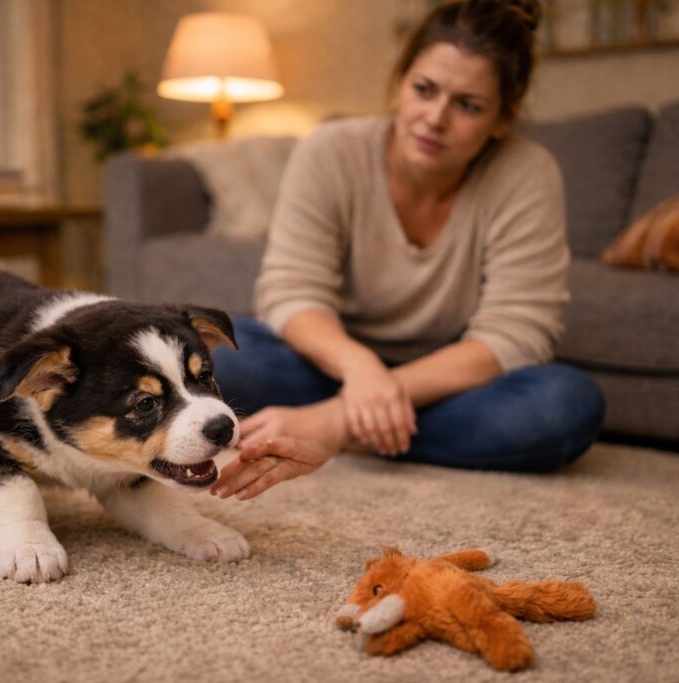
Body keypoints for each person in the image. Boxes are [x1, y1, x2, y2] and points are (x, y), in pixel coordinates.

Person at [209, 0, 606, 502]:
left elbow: (515, 335)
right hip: (330, 363)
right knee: (218, 349)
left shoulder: (528, 175)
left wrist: (332, 420)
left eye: (468, 105)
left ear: (503, 118)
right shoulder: (330, 150)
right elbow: (291, 293)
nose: (435, 118)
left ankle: (335, 433)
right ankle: (376, 424)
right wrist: (360, 370)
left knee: (565, 407)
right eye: (424, 90)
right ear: (400, 82)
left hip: (450, 379)